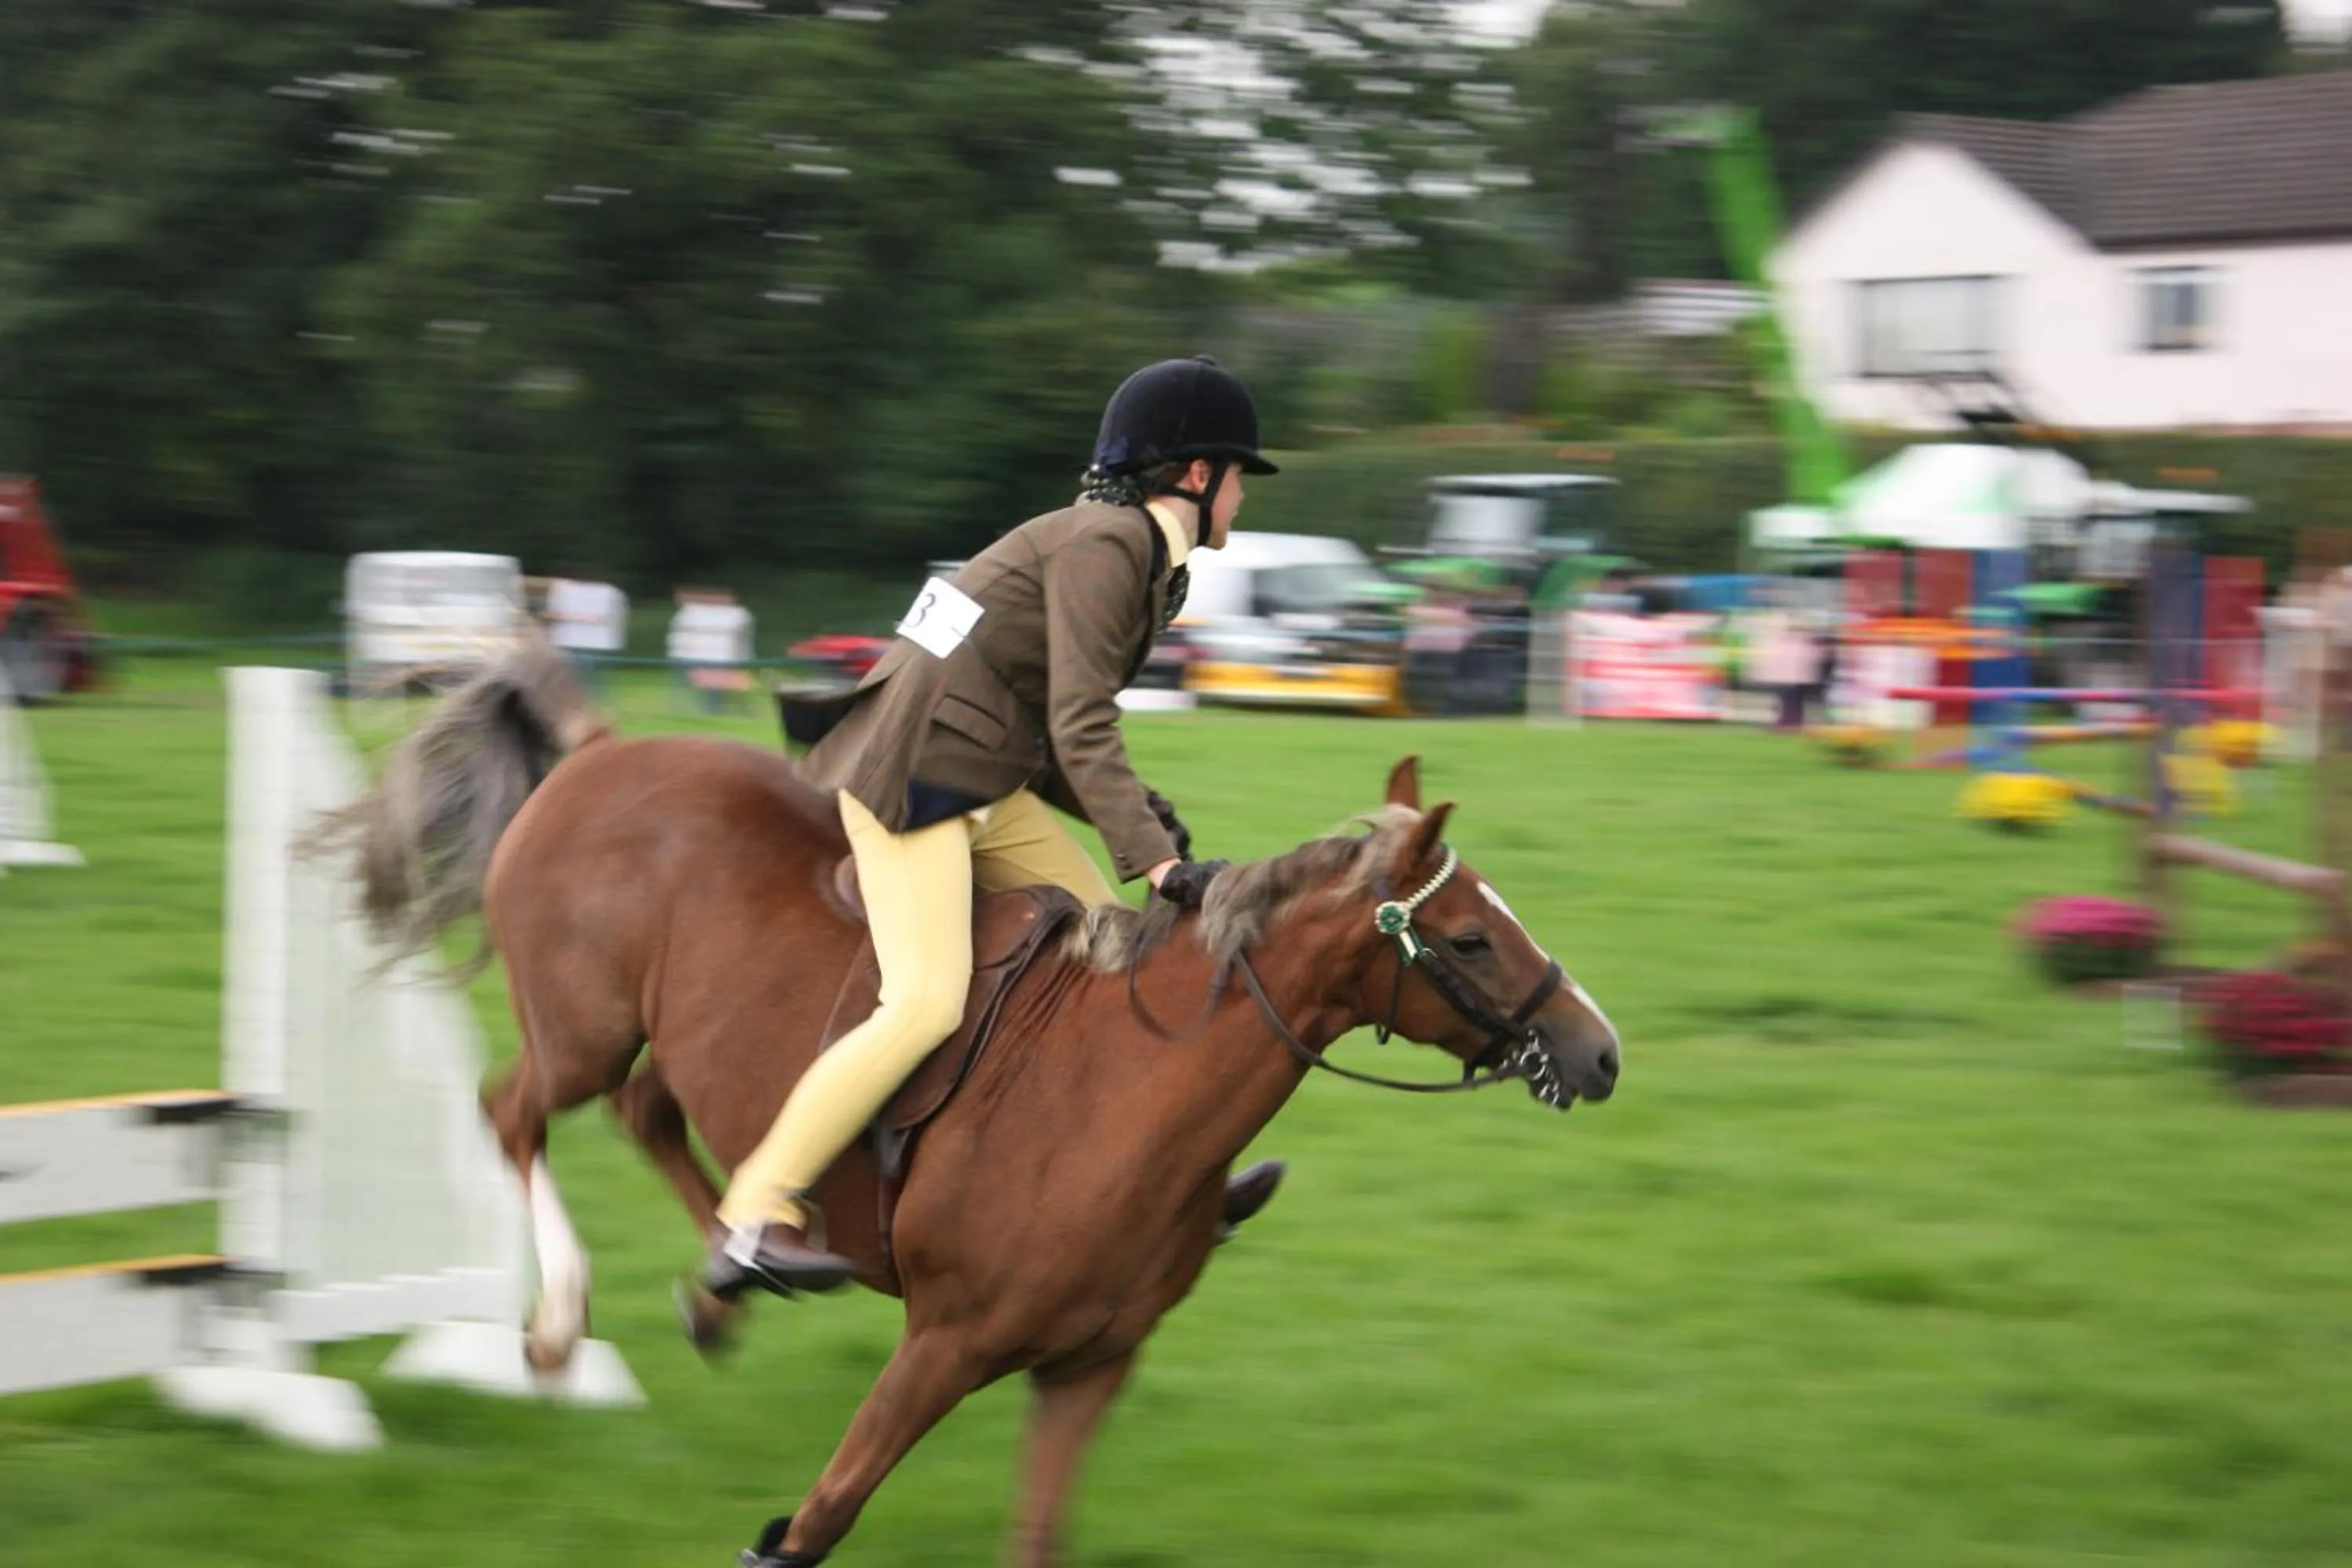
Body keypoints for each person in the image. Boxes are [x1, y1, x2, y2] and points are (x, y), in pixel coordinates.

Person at [703, 355, 1289, 1305]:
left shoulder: (1118, 544)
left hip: (982, 774)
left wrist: (1150, 826)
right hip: (917, 776)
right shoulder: (1109, 544)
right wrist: (1160, 857)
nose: (1240, 497)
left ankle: (1173, 1179)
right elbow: (1078, 720)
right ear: (1195, 474)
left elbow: (1046, 716)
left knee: (1122, 953)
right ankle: (754, 1214)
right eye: (1237, 475)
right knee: (925, 1000)